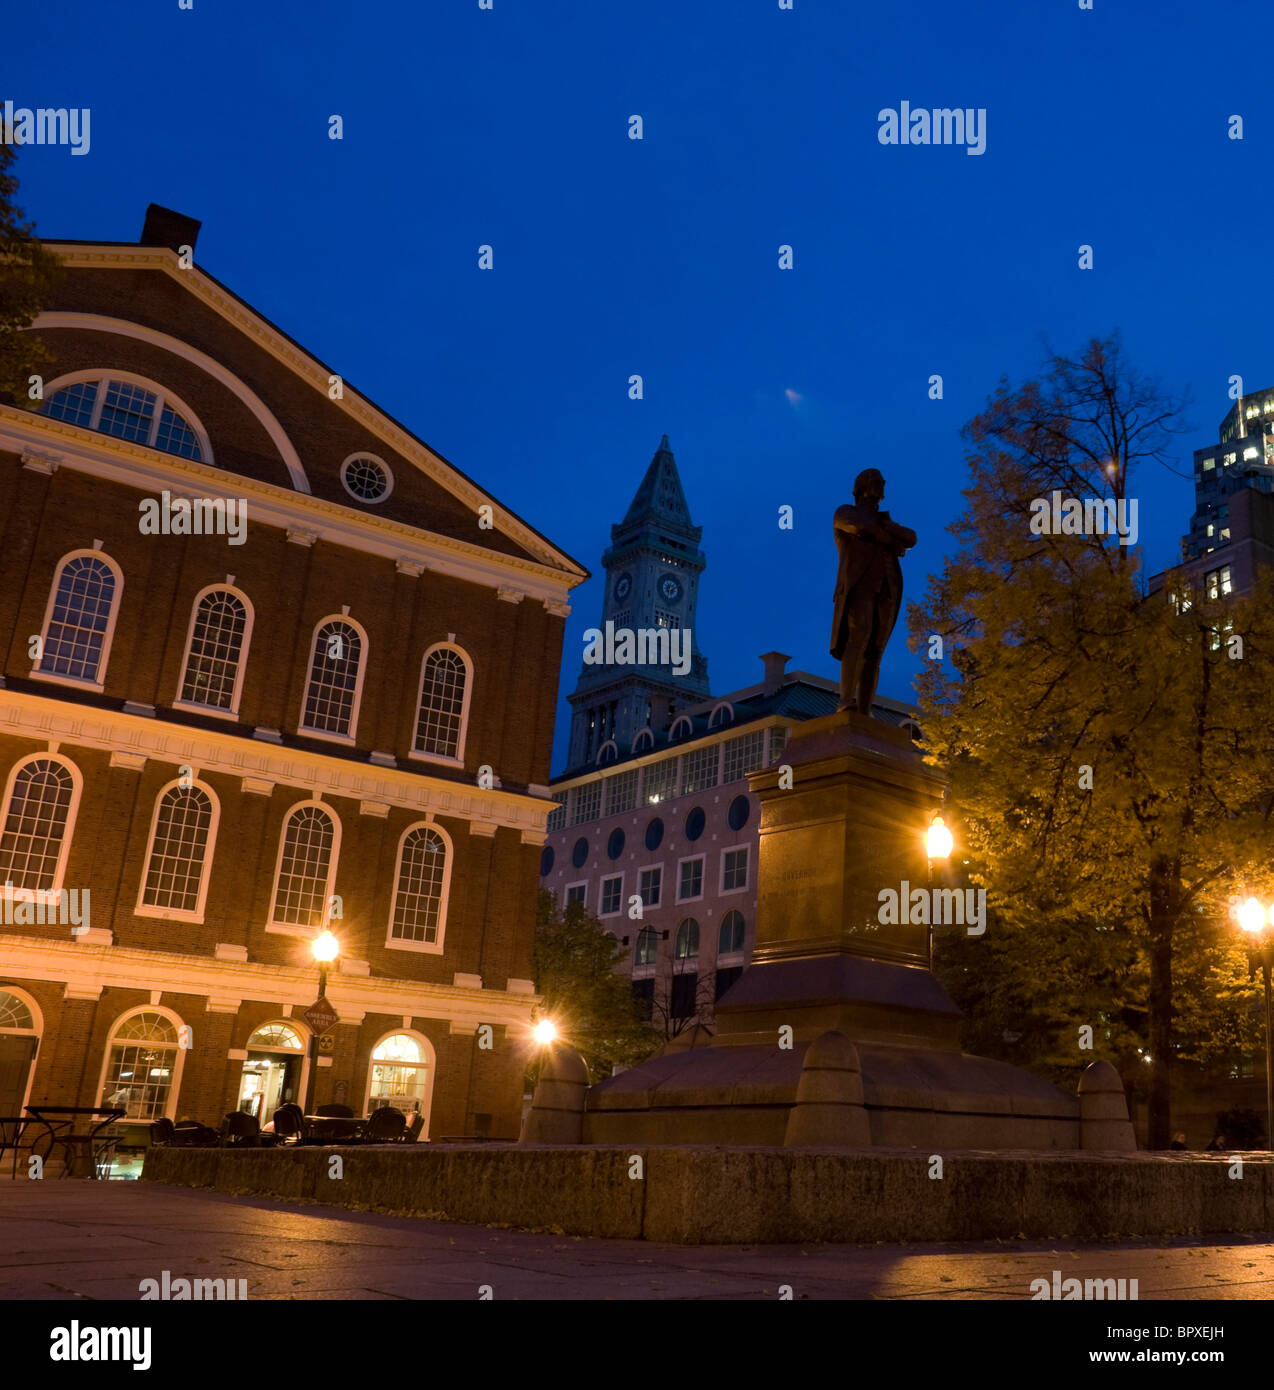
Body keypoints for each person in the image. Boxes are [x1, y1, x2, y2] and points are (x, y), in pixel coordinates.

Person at [830, 468, 917, 715]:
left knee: (876, 651)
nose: (881, 485)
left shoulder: (885, 521)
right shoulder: (846, 512)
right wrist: (890, 540)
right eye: (875, 481)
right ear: (860, 487)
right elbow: (861, 527)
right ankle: (846, 700)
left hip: (888, 589)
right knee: (859, 635)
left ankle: (864, 710)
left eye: (882, 482)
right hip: (859, 586)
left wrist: (888, 531)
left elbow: (911, 538)